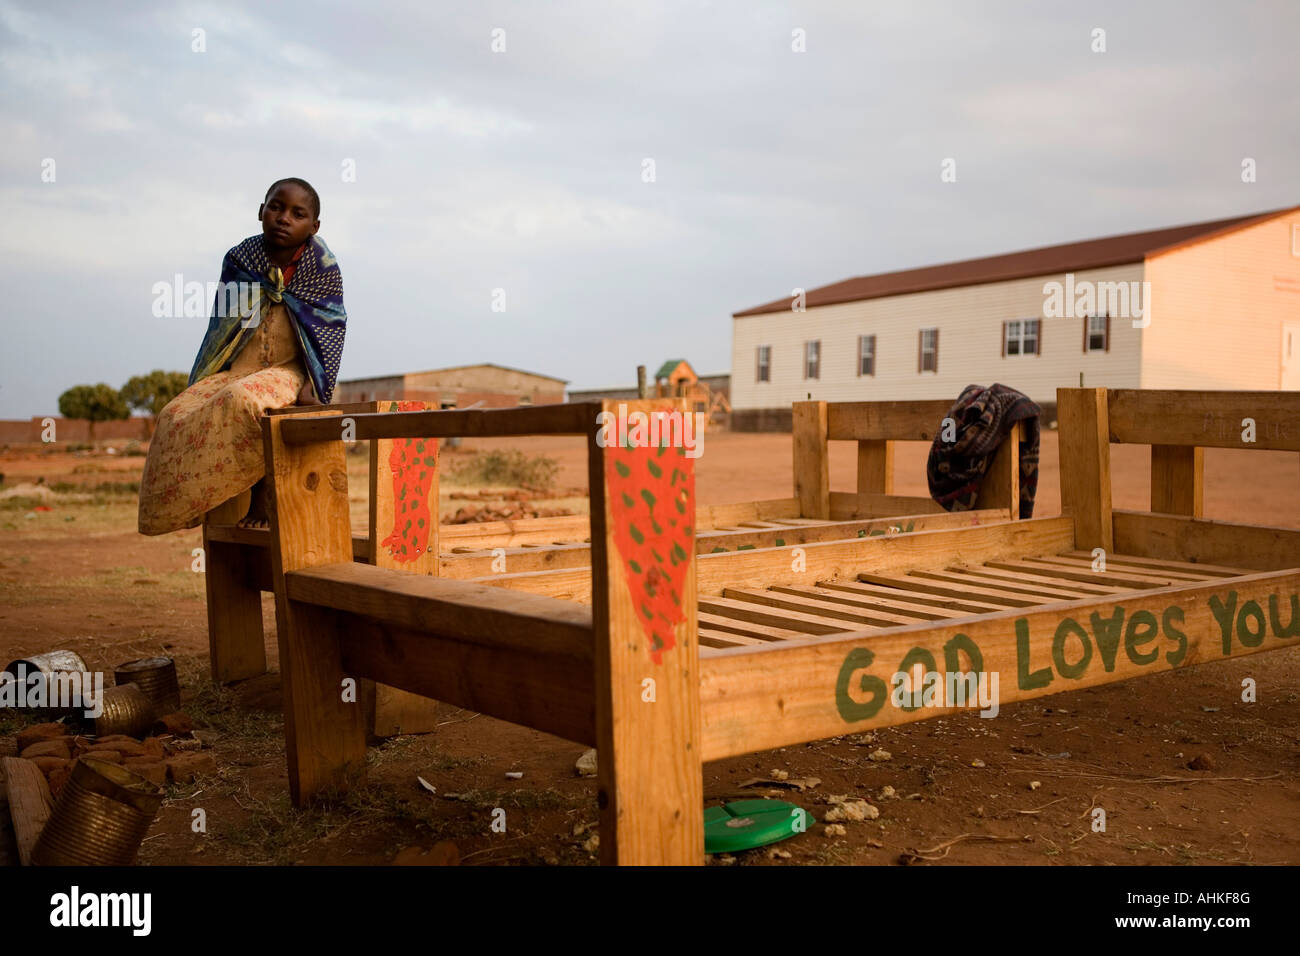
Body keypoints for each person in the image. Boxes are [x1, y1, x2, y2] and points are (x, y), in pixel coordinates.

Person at [137, 178, 347, 534]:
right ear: (261, 211)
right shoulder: (240, 261)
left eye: (298, 214)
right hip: (240, 368)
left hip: (288, 371)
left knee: (242, 400)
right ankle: (196, 505)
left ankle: (261, 489)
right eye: (276, 207)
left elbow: (330, 326)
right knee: (175, 413)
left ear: (314, 226)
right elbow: (224, 327)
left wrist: (315, 382)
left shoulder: (321, 268)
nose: (284, 218)